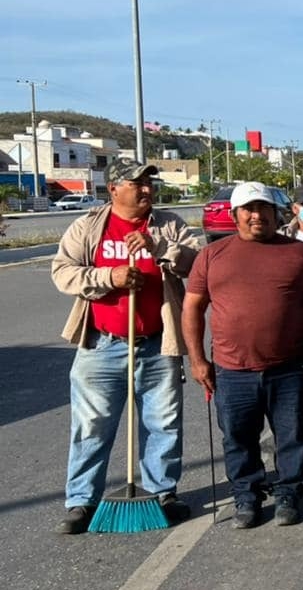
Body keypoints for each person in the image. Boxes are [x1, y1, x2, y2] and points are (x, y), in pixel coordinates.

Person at [51, 157, 202, 534]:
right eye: (137, 183)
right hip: (102, 345)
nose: (147, 189)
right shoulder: (88, 227)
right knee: (92, 426)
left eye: (149, 183)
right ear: (113, 188)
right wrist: (111, 276)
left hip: (157, 344)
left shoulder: (169, 225)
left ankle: (161, 492)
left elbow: (198, 265)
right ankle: (82, 501)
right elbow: (63, 272)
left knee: (163, 423)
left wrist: (159, 248)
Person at [183, 182, 303, 528]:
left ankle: (288, 492)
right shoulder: (212, 255)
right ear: (235, 215)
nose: (257, 216)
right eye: (248, 210)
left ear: (276, 213)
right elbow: (192, 307)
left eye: (263, 209)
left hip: (288, 367)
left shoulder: (299, 253)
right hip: (232, 370)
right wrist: (197, 359)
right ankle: (246, 496)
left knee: (293, 435)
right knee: (237, 437)